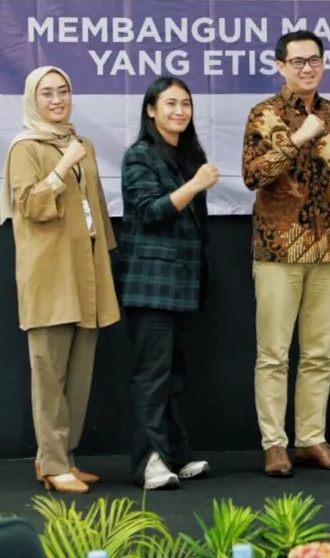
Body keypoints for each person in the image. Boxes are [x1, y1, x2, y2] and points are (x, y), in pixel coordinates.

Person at [0, 65, 120, 494]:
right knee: (49, 374)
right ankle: (52, 464)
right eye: (47, 93)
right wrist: (61, 168)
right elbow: (28, 205)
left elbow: (95, 206)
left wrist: (103, 257)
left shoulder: (81, 143)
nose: (57, 100)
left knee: (79, 373)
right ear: (33, 100)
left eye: (63, 91)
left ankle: (62, 458)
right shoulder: (25, 147)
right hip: (50, 273)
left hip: (85, 269)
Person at [242, 31, 330, 478]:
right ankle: (275, 444)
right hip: (279, 250)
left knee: (319, 354)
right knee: (273, 353)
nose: (307, 68)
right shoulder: (264, 113)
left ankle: (311, 439)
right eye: (297, 62)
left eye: (314, 60)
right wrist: (297, 138)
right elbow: (253, 175)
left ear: (323, 63)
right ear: (280, 66)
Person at [114, 76, 219, 490]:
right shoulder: (139, 156)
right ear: (151, 110)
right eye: (171, 103)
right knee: (152, 376)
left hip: (184, 284)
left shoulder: (189, 154)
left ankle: (176, 454)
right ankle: (149, 462)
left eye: (186, 104)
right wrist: (195, 185)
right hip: (150, 284)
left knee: (174, 375)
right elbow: (150, 211)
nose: (180, 111)